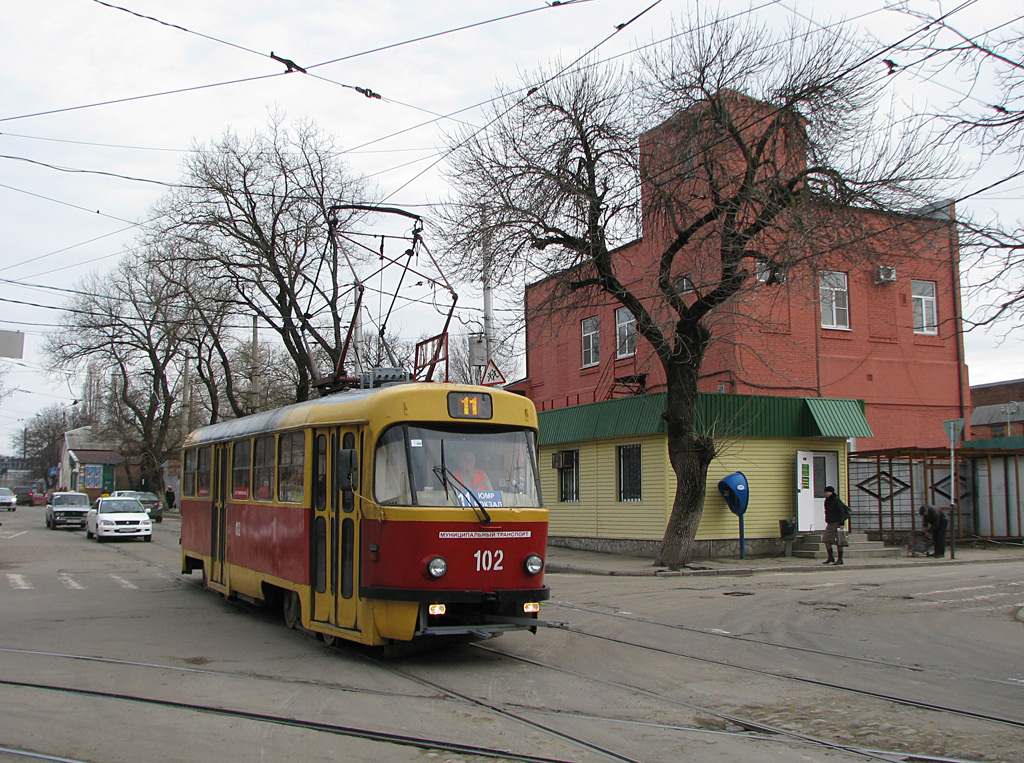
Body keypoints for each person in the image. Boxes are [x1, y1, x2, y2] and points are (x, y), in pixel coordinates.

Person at [821, 485, 850, 566]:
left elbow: (841, 512)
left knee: (839, 541)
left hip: (837, 522)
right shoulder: (827, 501)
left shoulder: (836, 500)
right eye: (825, 492)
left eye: (828, 492)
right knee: (826, 540)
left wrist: (841, 523)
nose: (826, 493)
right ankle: (830, 557)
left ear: (831, 492)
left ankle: (840, 559)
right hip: (830, 523)